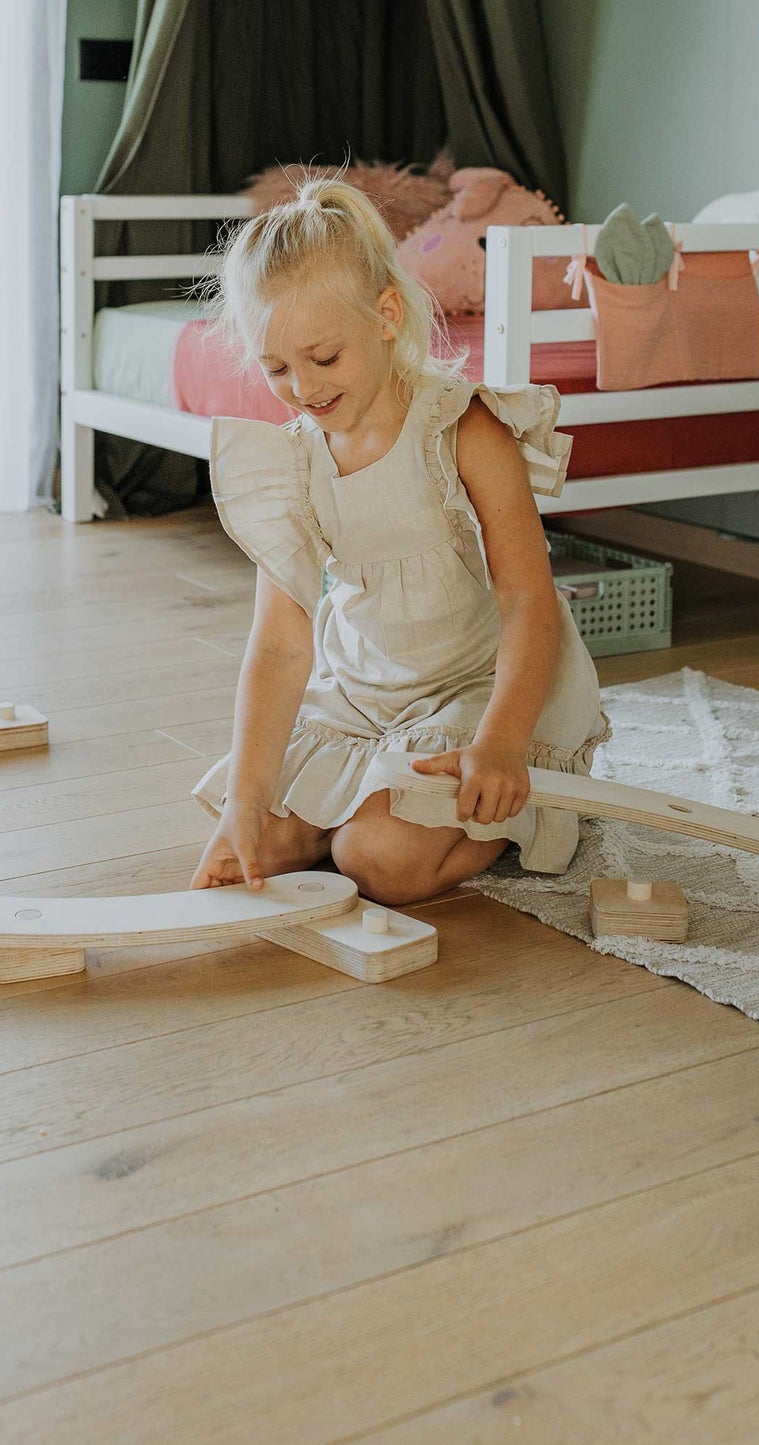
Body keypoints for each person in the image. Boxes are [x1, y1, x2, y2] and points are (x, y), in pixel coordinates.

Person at [188, 174, 609, 906]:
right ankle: (351, 801)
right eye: (276, 367)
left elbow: (528, 603)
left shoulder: (462, 429)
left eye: (323, 357)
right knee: (267, 838)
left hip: (475, 691)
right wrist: (243, 804)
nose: (302, 387)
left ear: (385, 316)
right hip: (361, 697)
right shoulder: (293, 460)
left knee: (377, 860)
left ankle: (509, 815)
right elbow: (281, 643)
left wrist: (502, 744)